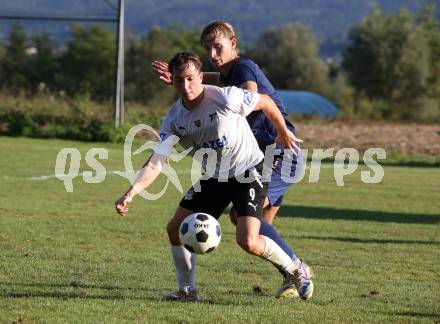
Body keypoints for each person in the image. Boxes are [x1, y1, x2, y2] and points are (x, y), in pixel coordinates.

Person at [116, 52, 313, 302]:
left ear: (200, 76)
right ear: (172, 81)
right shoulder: (175, 119)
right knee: (175, 228)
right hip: (215, 177)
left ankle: (297, 272)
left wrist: (282, 132)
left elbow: (265, 101)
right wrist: (131, 193)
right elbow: (156, 162)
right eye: (179, 80)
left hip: (248, 171)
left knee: (249, 242)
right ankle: (187, 291)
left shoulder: (224, 96)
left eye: (190, 78)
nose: (186, 86)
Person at [152, 21, 301, 226]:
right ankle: (276, 217)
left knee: (241, 217)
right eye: (207, 48)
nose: (212, 54)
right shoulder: (230, 73)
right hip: (264, 154)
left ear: (233, 43)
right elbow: (218, 80)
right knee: (253, 229)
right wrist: (185, 79)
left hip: (280, 151)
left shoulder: (242, 68)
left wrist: (236, 103)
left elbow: (251, 92)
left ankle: (291, 257)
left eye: (217, 47)